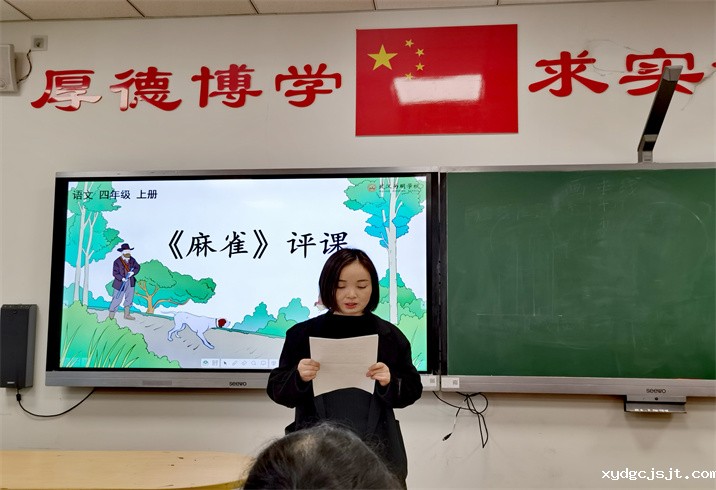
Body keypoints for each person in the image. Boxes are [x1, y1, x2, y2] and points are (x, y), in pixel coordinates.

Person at [266, 248, 422, 487]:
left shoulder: (389, 335)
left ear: (373, 288)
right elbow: (278, 391)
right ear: (327, 287)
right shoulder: (302, 334)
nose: (352, 294)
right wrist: (298, 377)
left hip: (379, 450)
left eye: (362, 286)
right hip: (315, 453)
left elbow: (412, 390)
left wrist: (390, 381)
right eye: (340, 286)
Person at [243, 422, 401, 489]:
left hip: (372, 438)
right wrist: (299, 378)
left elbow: (408, 387)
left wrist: (389, 382)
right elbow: (278, 387)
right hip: (305, 453)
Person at [108, 243, 140, 320]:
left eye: (129, 251)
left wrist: (133, 273)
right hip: (119, 283)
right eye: (126, 251)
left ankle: (127, 315)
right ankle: (111, 317)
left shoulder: (132, 260)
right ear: (122, 252)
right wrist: (122, 278)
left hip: (130, 282)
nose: (128, 253)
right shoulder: (117, 261)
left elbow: (137, 267)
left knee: (129, 298)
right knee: (116, 299)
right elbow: (115, 273)